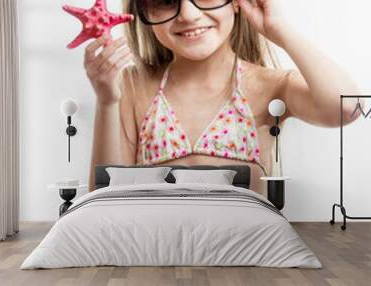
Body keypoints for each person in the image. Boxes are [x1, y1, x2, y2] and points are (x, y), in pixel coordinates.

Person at [86, 0, 361, 195]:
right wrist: (107, 101)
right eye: (167, 1)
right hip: (155, 252)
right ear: (143, 11)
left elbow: (347, 107)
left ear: (237, 2)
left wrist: (277, 28)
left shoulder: (270, 86)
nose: (189, 14)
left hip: (241, 256)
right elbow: (103, 194)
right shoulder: (134, 85)